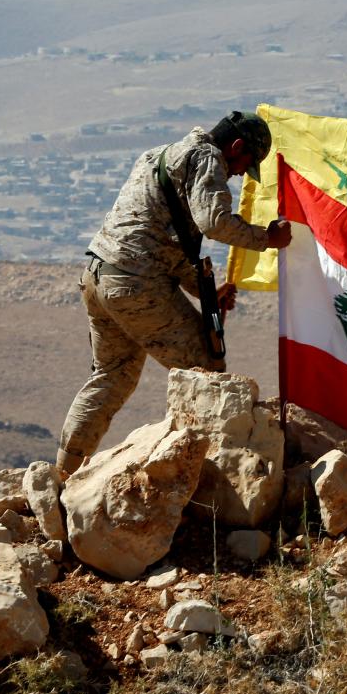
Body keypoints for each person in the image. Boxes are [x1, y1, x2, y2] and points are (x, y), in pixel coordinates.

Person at [55, 111, 292, 481]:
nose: (241, 174)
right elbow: (213, 222)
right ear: (237, 146)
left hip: (100, 276)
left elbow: (163, 238)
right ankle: (205, 479)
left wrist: (206, 292)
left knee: (112, 377)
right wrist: (268, 239)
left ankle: (62, 474)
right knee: (206, 372)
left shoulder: (159, 155)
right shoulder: (208, 158)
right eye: (245, 164)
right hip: (137, 283)